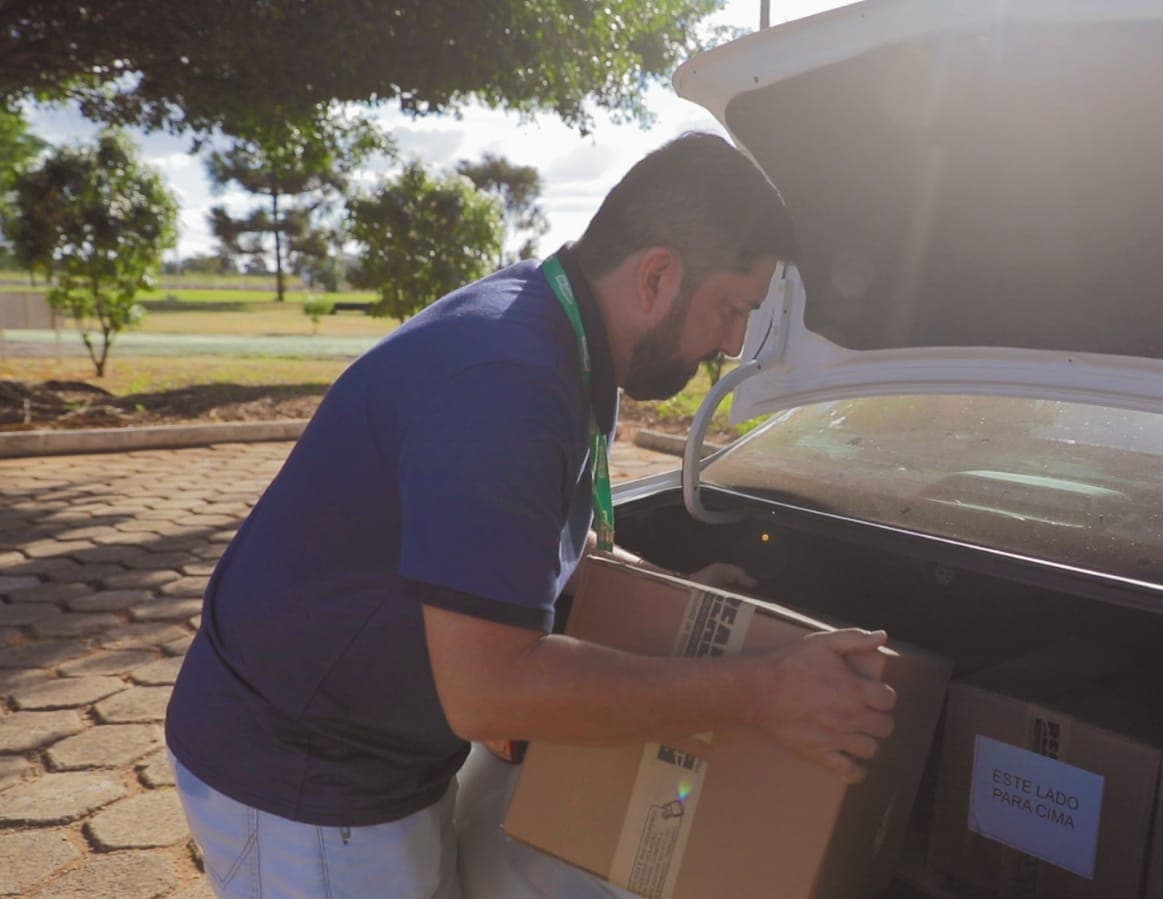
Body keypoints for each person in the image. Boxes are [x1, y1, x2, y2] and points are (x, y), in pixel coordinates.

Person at [165, 133, 898, 898]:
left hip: (373, 755)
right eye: (731, 307)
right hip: (305, 785)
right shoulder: (508, 384)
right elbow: (490, 692)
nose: (734, 341)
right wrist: (760, 691)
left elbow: (531, 545)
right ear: (656, 275)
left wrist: (670, 600)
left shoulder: (557, 331)